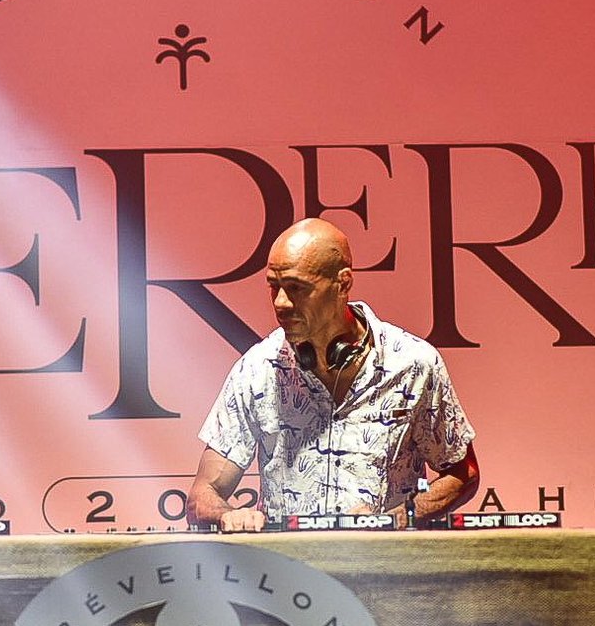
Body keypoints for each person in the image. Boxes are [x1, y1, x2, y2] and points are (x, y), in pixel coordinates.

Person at [189, 218, 480, 532]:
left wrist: (395, 518)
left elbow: (463, 473)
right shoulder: (257, 369)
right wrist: (228, 515)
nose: (281, 303)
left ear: (343, 283)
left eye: (297, 288)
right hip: (288, 563)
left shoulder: (414, 363)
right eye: (274, 286)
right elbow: (203, 494)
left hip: (384, 561)